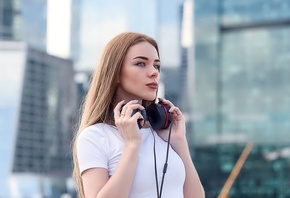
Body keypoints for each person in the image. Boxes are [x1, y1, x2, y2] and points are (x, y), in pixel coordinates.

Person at [72, 32, 205, 198]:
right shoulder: (95, 136)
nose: (154, 72)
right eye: (141, 63)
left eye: (156, 65)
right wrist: (132, 144)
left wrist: (179, 142)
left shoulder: (163, 134)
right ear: (115, 74)